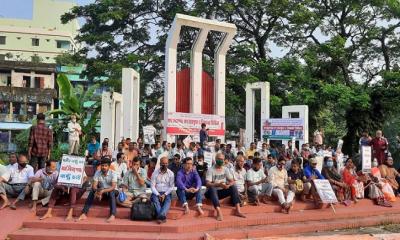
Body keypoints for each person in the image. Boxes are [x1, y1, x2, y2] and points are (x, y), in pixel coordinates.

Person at [205, 153, 246, 221]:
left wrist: (228, 185)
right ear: (215, 159)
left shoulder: (225, 169)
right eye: (219, 159)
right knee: (212, 188)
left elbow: (232, 181)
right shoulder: (210, 170)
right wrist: (218, 184)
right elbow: (207, 184)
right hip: (211, 193)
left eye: (222, 159)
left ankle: (238, 210)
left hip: (221, 191)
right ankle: (218, 211)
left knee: (233, 186)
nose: (221, 161)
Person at [78, 157, 117, 223]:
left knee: (111, 192)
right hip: (101, 190)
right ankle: (84, 213)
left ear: (109, 166)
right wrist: (98, 191)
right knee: (92, 191)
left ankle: (112, 214)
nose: (103, 167)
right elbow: (94, 186)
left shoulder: (113, 173)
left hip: (112, 191)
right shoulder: (98, 172)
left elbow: (113, 187)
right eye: (102, 165)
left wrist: (103, 191)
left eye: (105, 166)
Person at [151, 157, 175, 224]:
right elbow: (152, 187)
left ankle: (160, 216)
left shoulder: (171, 173)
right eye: (163, 163)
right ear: (160, 163)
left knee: (168, 201)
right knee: (155, 200)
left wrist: (164, 194)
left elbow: (171, 187)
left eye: (166, 163)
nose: (164, 165)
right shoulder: (155, 173)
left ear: (168, 164)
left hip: (166, 192)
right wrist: (158, 194)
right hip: (157, 192)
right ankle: (162, 216)